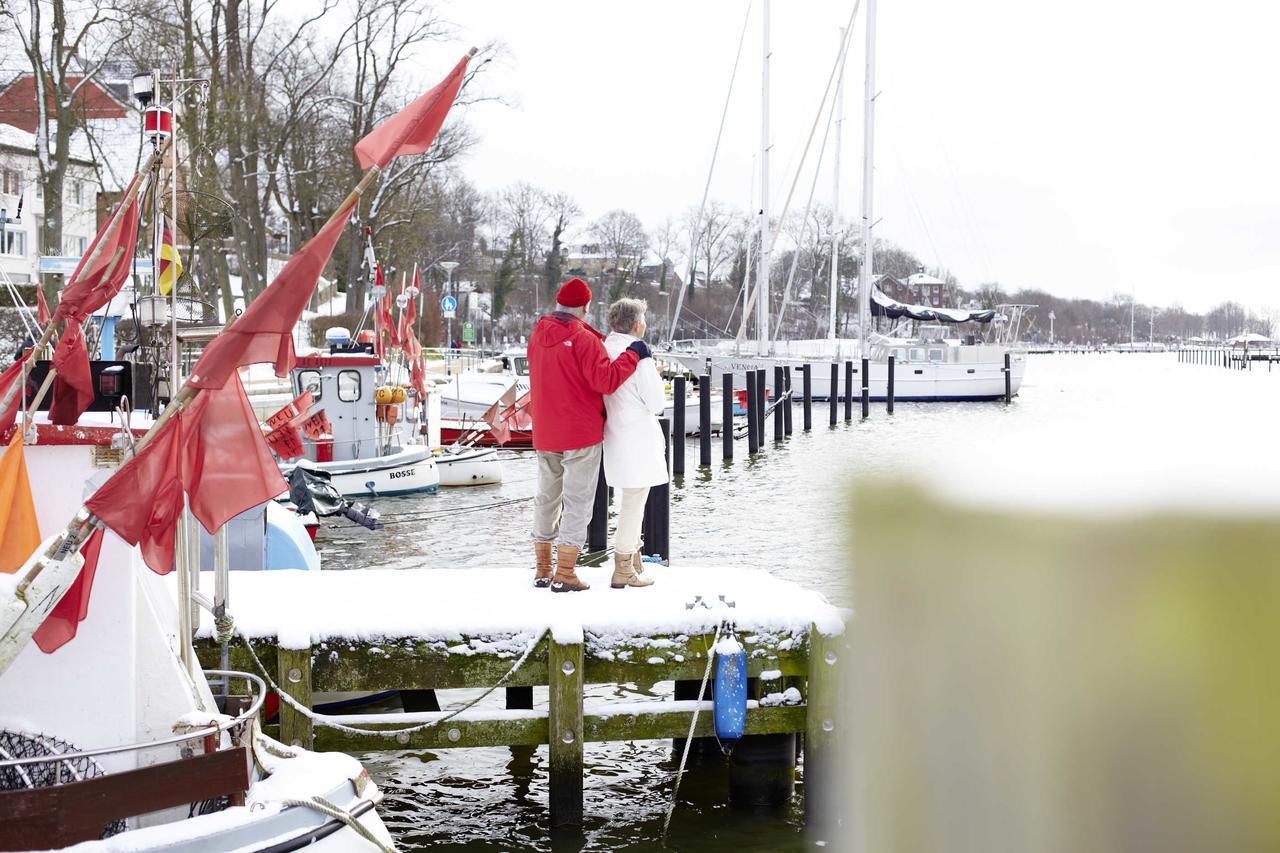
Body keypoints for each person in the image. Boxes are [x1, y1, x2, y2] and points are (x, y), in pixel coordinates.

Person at [527, 278, 649, 592]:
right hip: (579, 431)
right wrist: (632, 355)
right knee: (577, 501)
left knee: (547, 497)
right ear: (585, 306)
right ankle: (565, 572)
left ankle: (543, 568)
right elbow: (605, 381)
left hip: (545, 430)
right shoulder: (583, 339)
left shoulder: (538, 335)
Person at [601, 298, 666, 589]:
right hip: (637, 437)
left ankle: (634, 560)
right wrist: (655, 376)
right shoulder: (639, 356)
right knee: (633, 503)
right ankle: (623, 567)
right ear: (637, 325)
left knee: (629, 501)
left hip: (612, 435)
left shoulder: (603, 348)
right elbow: (657, 403)